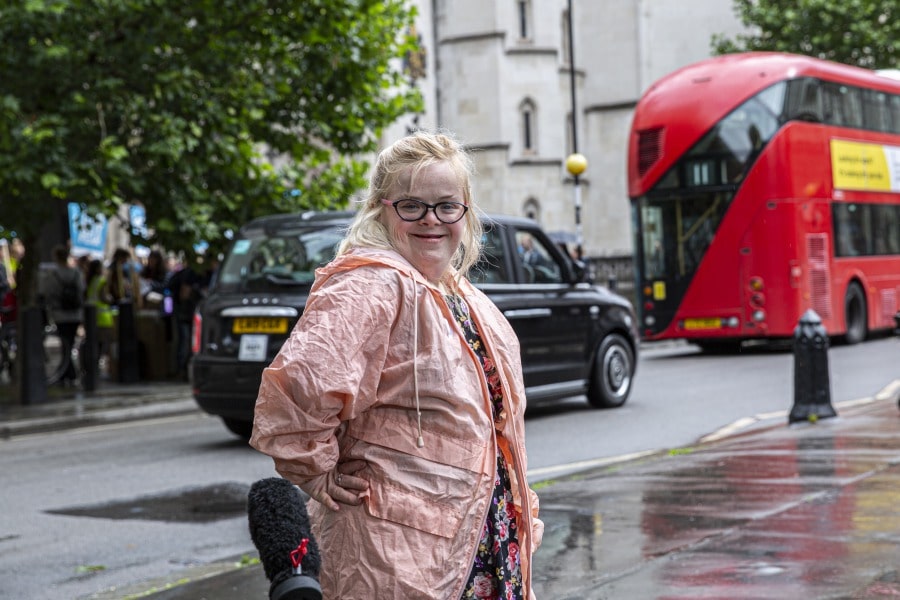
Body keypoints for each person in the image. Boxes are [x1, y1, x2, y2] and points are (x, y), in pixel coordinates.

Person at [251, 130, 544, 599]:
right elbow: (300, 388)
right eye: (411, 206)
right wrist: (316, 472)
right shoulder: (371, 285)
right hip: (398, 558)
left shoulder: (458, 291)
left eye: (446, 206)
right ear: (381, 208)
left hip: (478, 544)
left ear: (465, 211)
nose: (431, 219)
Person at [42, 244, 85, 386]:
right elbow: (81, 291)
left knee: (66, 343)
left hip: (60, 313)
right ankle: (68, 372)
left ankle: (68, 372)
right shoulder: (76, 273)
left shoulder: (53, 275)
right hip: (75, 314)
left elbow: (48, 293)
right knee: (69, 342)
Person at [85, 258, 115, 378]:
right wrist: (111, 299)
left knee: (94, 343)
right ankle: (99, 367)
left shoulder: (89, 280)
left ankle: (93, 367)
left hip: (91, 315)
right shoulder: (102, 280)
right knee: (103, 343)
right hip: (103, 316)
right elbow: (104, 297)